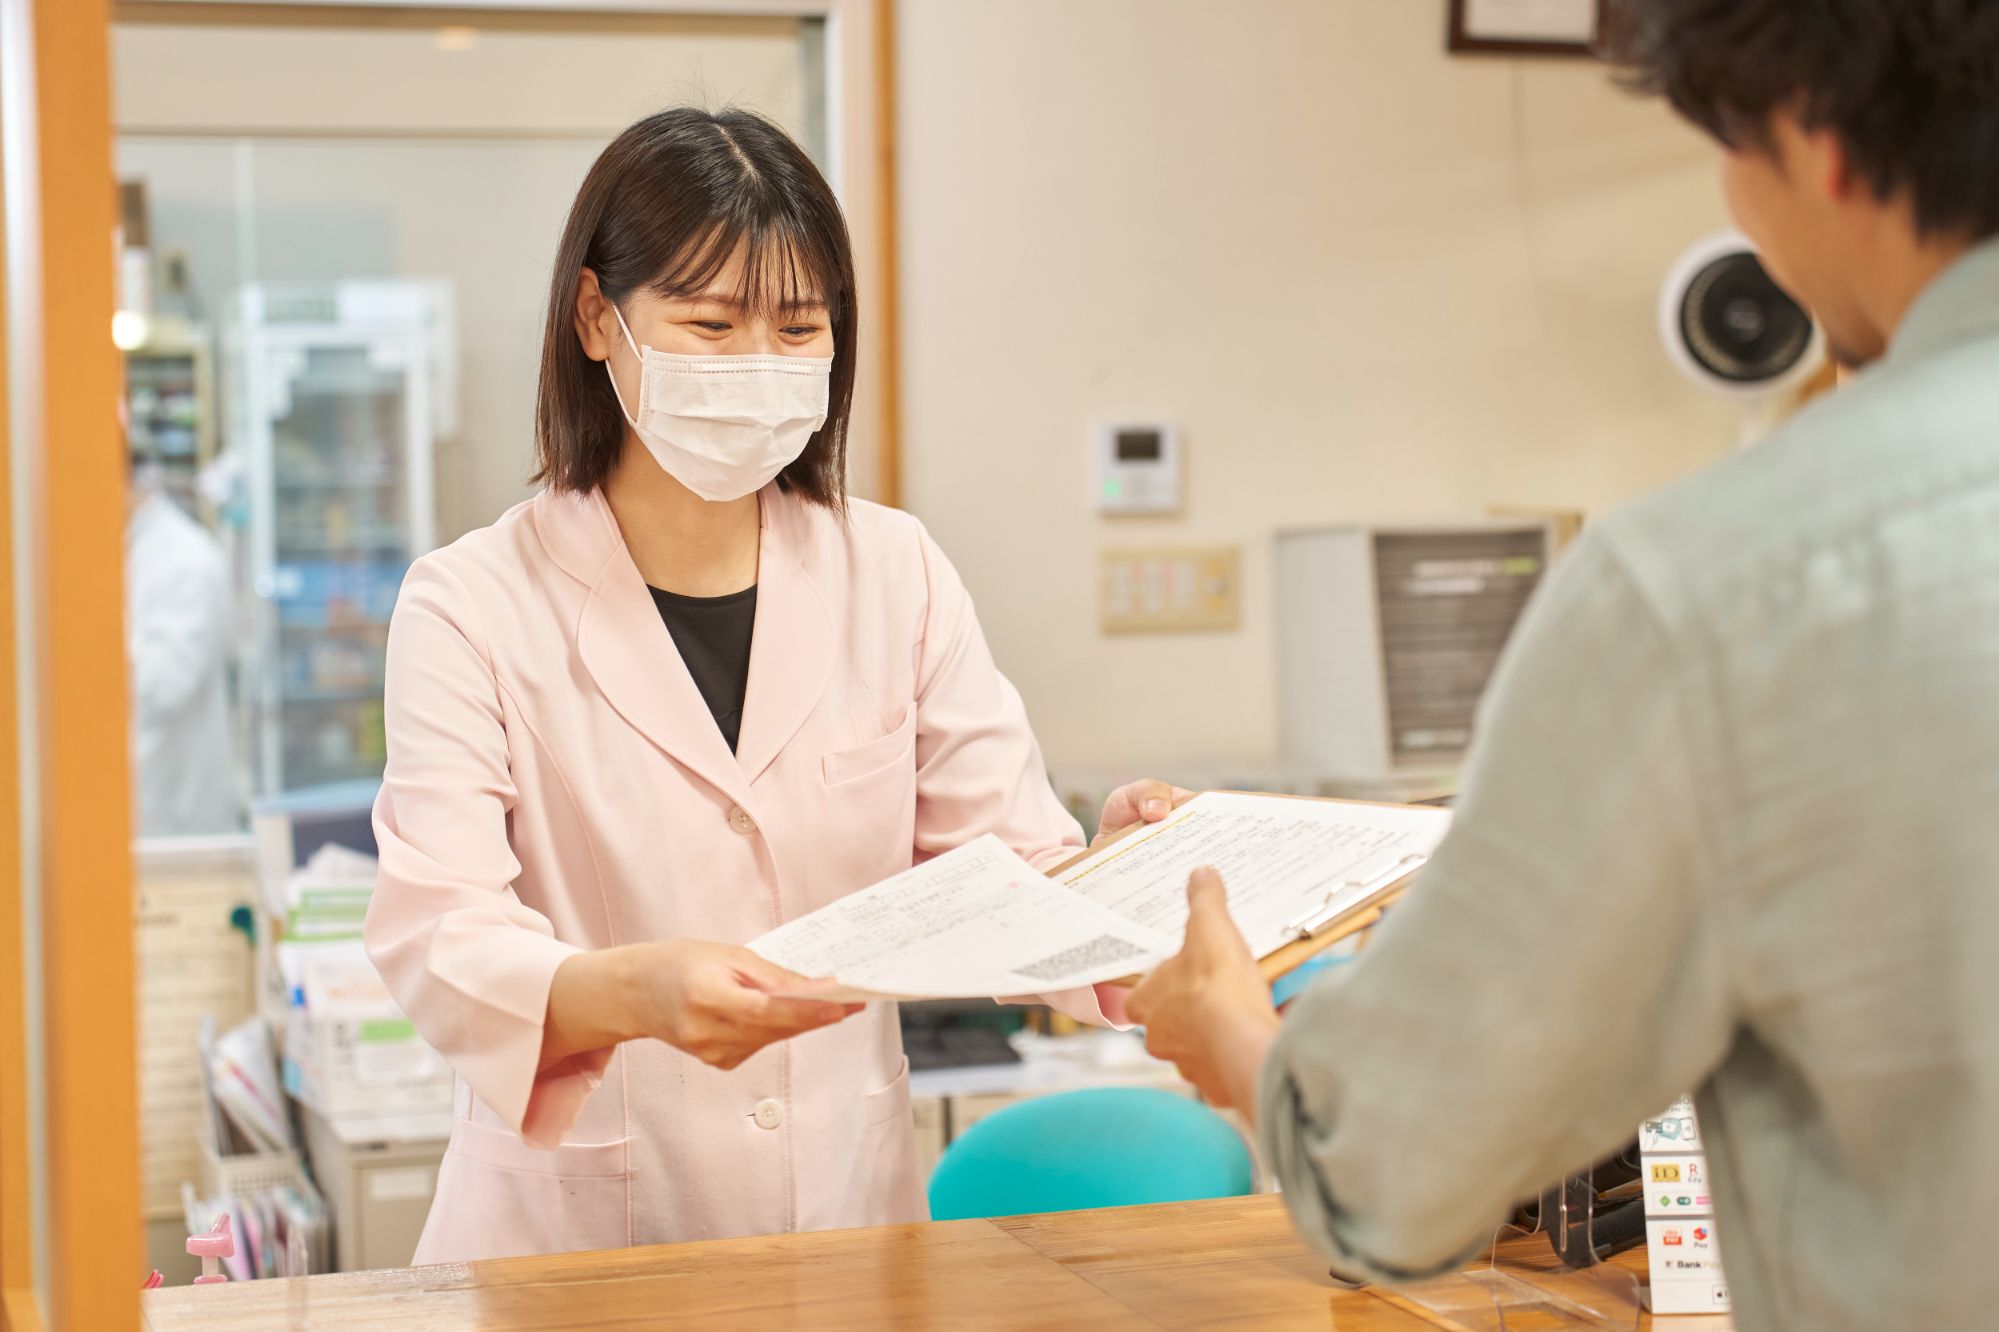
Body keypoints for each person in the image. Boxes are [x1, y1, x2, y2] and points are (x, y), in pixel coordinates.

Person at [1114, 3, 1999, 1328]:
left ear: (1815, 141)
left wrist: (1230, 1028)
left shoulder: (1707, 590)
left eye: (1725, 150)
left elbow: (1400, 1181)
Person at [363, 107, 1121, 1264]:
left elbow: (1011, 874)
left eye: (797, 328)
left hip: (844, 1227)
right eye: (710, 324)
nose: (756, 368)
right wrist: (627, 993)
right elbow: (439, 934)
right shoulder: (470, 603)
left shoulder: (894, 571)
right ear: (596, 319)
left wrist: (1124, 875)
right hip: (574, 1249)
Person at [125, 461, 240, 837]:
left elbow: (166, 684)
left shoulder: (185, 560)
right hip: (141, 812)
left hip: (175, 820)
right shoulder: (133, 550)